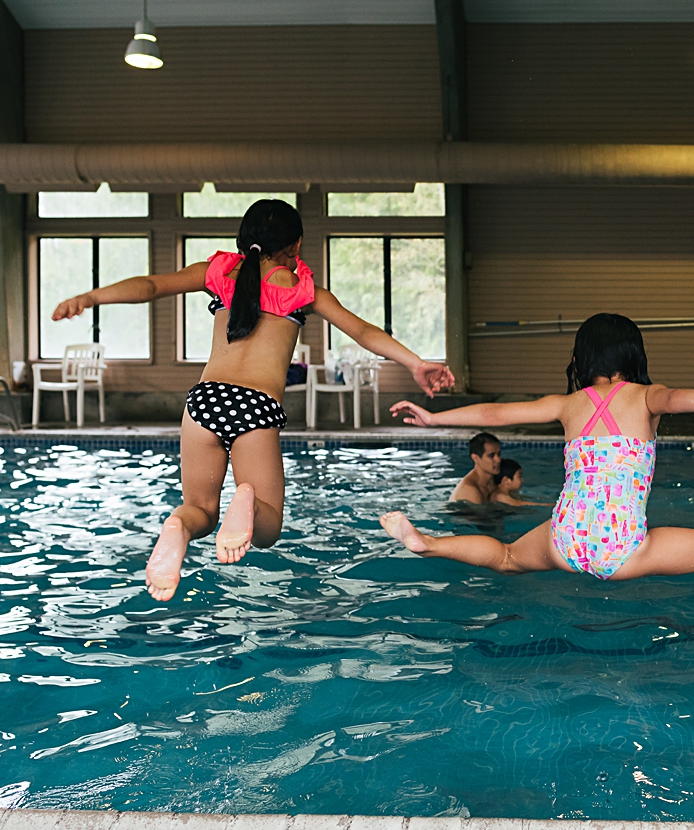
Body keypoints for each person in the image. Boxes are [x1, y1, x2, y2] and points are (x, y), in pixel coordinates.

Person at [380, 313, 694, 672]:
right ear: (630, 354)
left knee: (505, 556)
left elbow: (498, 413)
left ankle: (427, 544)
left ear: (584, 358)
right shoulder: (644, 395)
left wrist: (435, 418)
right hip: (621, 546)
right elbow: (677, 396)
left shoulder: (568, 404)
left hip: (565, 538)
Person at [50, 199, 455, 600]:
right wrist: (415, 363)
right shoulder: (304, 289)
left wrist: (90, 297)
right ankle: (246, 499)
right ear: (295, 245)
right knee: (268, 529)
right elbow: (365, 332)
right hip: (254, 406)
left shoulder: (220, 273)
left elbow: (152, 285)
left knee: (201, 511)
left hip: (203, 401)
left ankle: (178, 525)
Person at [451, 432, 504, 503]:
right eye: (491, 456)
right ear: (475, 458)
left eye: (499, 454)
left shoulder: (492, 481)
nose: (498, 460)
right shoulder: (470, 490)